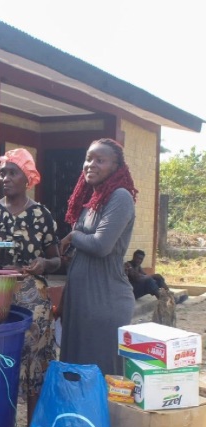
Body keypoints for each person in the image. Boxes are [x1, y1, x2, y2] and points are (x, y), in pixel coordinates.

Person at [0, 148, 61, 427]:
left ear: (28, 178)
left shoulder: (41, 215)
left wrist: (45, 262)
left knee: (34, 368)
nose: (5, 178)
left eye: (13, 173)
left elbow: (57, 259)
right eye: (3, 173)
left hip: (33, 299)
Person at [59, 138, 137, 376]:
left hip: (104, 301)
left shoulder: (120, 197)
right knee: (75, 372)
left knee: (99, 374)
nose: (91, 164)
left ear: (116, 167)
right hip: (80, 300)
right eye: (88, 158)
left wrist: (72, 236)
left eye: (100, 160)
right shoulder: (92, 202)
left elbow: (101, 245)